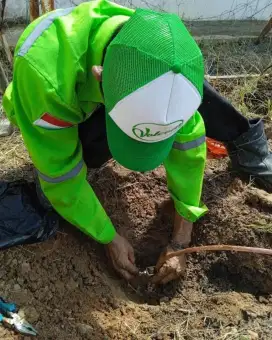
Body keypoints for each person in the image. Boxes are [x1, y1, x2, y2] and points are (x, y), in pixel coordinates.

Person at [3, 0, 272, 284]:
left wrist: (182, 237)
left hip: (106, 85)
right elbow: (62, 176)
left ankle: (247, 146)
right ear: (101, 80)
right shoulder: (46, 83)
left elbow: (188, 145)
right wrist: (107, 236)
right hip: (53, 104)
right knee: (62, 186)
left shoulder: (164, 61)